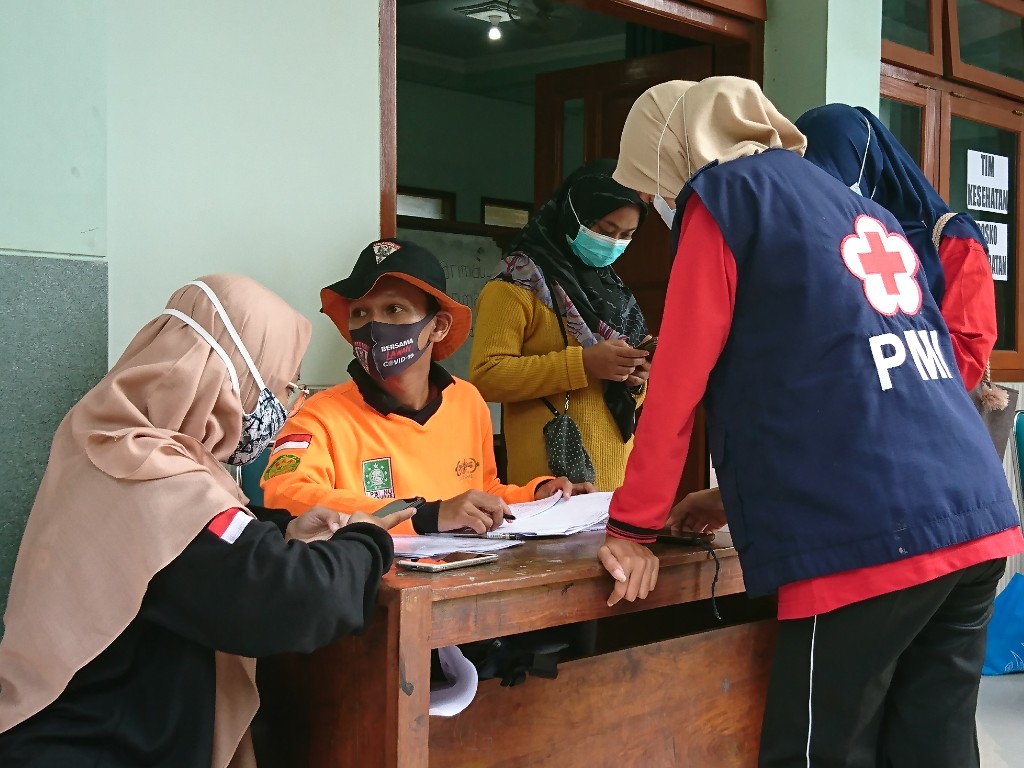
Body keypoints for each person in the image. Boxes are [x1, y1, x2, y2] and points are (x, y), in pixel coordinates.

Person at [596, 77, 1024, 767]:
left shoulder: (726, 198)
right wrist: (731, 496)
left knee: (817, 752)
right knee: (933, 748)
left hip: (869, 538)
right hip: (974, 516)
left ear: (676, 148)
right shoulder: (864, 214)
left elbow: (677, 382)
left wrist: (631, 528)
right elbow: (857, 381)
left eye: (652, 184)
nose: (658, 202)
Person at [0, 275, 412, 768]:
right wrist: (362, 538)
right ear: (232, 376)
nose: (287, 405)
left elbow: (203, 546)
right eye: (284, 385)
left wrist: (281, 532)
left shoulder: (113, 438)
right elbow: (290, 599)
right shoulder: (152, 475)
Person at [261, 238, 593, 536]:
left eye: (394, 309)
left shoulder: (467, 401)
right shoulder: (318, 415)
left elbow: (483, 488)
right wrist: (423, 515)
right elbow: (286, 495)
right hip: (378, 593)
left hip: (461, 584)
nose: (374, 326)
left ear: (438, 327)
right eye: (360, 312)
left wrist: (537, 495)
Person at [469, 159, 652, 490]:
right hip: (547, 485)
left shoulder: (614, 292)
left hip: (616, 479)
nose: (614, 243)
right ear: (575, 214)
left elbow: (622, 401)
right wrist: (583, 363)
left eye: (627, 235)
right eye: (606, 230)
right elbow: (486, 376)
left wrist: (633, 381)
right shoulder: (515, 282)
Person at [796, 103, 998, 390]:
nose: (830, 193)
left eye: (839, 175)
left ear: (869, 163)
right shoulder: (820, 235)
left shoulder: (954, 240)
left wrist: (866, 364)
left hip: (923, 415)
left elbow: (967, 354)